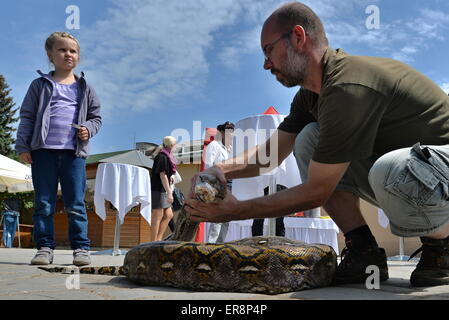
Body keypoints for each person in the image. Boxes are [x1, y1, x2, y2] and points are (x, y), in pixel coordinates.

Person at [185, 2, 449, 287]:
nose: (266, 64)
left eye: (268, 51)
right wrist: (220, 169)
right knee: (310, 136)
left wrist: (236, 211)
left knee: (389, 169)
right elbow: (269, 156)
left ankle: (442, 247)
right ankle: (363, 250)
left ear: (298, 37)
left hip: (437, 171)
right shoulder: (310, 96)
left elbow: (316, 192)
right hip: (416, 176)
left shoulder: (349, 86)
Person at [15, 32, 102, 266]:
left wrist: (88, 129)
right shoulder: (40, 85)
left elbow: (96, 118)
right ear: (50, 55)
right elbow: (27, 116)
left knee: (75, 203)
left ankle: (81, 248)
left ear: (79, 56)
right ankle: (44, 247)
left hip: (74, 154)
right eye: (62, 50)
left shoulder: (85, 87)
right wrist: (23, 145)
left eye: (73, 51)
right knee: (44, 202)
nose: (68, 54)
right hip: (43, 152)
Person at [204, 121, 234, 243]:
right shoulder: (214, 145)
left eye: (232, 131)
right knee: (217, 217)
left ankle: (220, 245)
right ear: (222, 132)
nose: (230, 133)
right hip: (218, 184)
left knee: (227, 217)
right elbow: (208, 165)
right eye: (228, 130)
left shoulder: (232, 148)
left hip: (231, 184)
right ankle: (211, 246)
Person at [150, 136, 177, 241]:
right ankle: (152, 243)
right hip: (158, 189)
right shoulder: (162, 157)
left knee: (169, 214)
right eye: (175, 145)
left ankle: (158, 239)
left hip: (164, 189)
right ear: (170, 146)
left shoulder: (167, 156)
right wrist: (169, 192)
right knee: (158, 214)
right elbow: (163, 175)